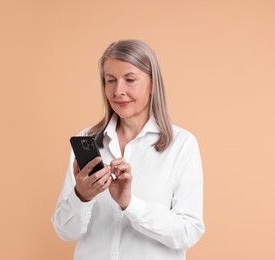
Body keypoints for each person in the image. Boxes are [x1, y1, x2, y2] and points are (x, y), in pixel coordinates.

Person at [52, 39, 205, 260]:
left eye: (130, 80)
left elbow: (187, 233)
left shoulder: (181, 145)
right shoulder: (88, 141)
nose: (118, 91)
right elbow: (64, 232)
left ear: (153, 84)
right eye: (110, 80)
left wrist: (129, 203)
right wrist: (81, 196)